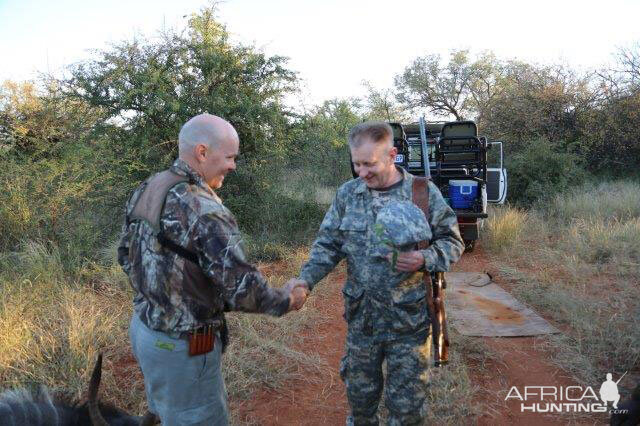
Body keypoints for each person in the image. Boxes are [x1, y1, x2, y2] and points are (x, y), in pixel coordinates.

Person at [117, 113, 308, 426]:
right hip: (183, 346)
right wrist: (288, 299)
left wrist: (163, 295)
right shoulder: (204, 208)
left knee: (165, 413)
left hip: (144, 332)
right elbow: (246, 291)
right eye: (230, 157)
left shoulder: (149, 187)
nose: (233, 165)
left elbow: (125, 255)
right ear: (202, 152)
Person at [288, 121, 464, 425]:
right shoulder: (348, 194)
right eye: (356, 164)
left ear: (392, 154)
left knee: (407, 410)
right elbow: (328, 245)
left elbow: (453, 242)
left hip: (408, 323)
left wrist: (424, 257)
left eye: (369, 164)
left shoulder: (421, 193)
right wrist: (305, 281)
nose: (361, 172)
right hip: (362, 323)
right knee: (361, 404)